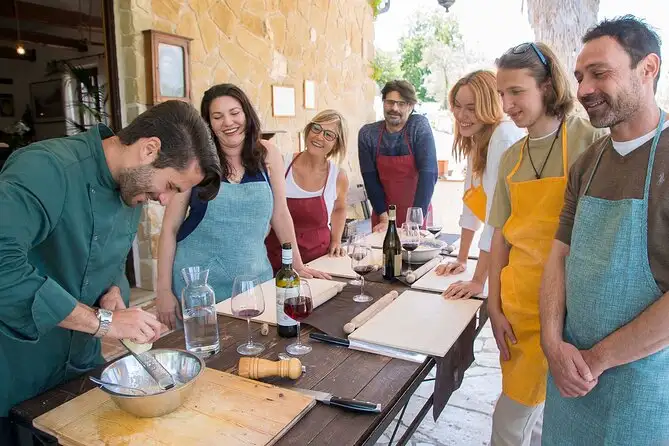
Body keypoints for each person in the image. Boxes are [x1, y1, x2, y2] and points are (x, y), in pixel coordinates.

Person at [0, 100, 221, 440]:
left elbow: (112, 264)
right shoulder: (46, 168)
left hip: (82, 368)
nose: (165, 201)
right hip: (18, 371)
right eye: (172, 186)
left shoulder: (131, 189)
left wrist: (113, 293)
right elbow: (4, 266)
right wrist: (104, 323)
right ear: (149, 149)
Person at [541, 16, 669, 445]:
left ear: (648, 69)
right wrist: (552, 344)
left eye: (600, 73)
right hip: (569, 381)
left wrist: (596, 360)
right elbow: (559, 255)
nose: (582, 90)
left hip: (642, 388)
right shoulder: (587, 162)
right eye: (580, 77)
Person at [486, 42, 607, 446]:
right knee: (512, 418)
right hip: (520, 307)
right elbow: (501, 236)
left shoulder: (589, 139)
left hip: (574, 309)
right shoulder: (511, 159)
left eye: (516, 92)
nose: (507, 104)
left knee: (556, 420)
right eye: (502, 94)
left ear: (547, 86)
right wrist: (493, 303)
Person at [156, 84, 327, 329]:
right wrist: (162, 291)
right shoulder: (194, 160)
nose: (228, 122)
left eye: (234, 112)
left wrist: (297, 265)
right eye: (217, 116)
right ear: (208, 124)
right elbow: (170, 229)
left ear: (246, 113)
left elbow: (280, 213)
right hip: (200, 291)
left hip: (255, 284)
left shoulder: (268, 154)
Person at [435, 70, 525, 299]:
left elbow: (497, 217)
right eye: (457, 105)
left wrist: (478, 281)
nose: (461, 115)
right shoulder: (477, 138)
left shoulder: (502, 137)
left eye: (471, 108)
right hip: (502, 249)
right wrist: (462, 258)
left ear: (489, 107)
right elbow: (470, 204)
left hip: (518, 254)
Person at [265, 109, 350, 271]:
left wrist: (336, 241)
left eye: (329, 135)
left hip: (319, 261)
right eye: (316, 129)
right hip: (277, 261)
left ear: (336, 144)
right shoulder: (281, 165)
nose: (319, 137)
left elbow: (340, 208)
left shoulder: (338, 176)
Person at [358, 80, 438, 232]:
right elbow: (369, 178)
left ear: (411, 106)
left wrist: (415, 222)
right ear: (383, 102)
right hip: (383, 213)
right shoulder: (368, 134)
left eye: (401, 104)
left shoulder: (418, 126)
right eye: (390, 102)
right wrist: (383, 217)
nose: (394, 108)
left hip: (417, 210)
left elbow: (429, 173)